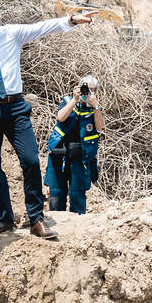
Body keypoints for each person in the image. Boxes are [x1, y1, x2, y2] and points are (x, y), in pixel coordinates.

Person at [0, 0, 91, 241]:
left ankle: (36, 219)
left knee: (30, 161)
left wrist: (71, 20)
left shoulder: (10, 33)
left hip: (16, 107)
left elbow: (42, 27)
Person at [45, 75, 104, 215]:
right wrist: (74, 100)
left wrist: (95, 106)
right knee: (56, 190)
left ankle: (78, 219)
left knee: (78, 192)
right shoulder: (67, 101)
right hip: (59, 152)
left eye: (92, 90)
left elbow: (100, 127)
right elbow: (60, 117)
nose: (88, 92)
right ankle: (56, 217)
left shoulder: (95, 108)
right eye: (86, 89)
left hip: (81, 155)